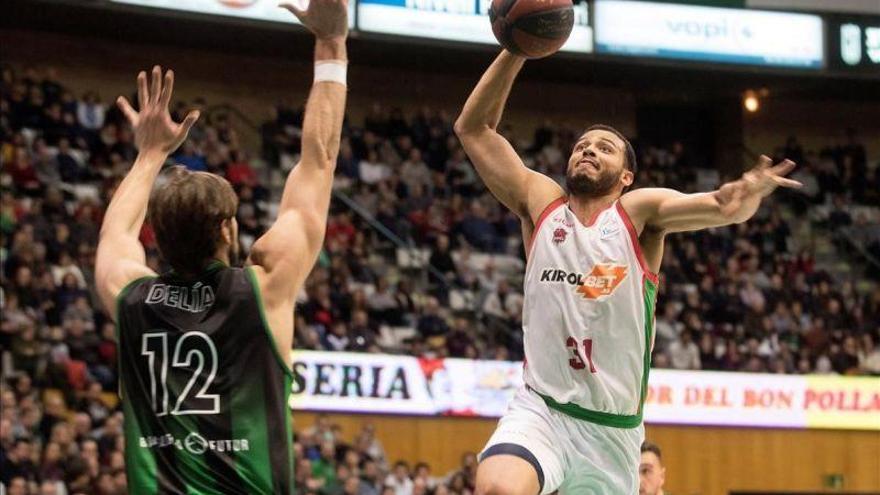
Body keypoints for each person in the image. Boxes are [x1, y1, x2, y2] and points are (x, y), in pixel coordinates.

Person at [454, 50, 801, 495]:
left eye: (605, 147)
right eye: (582, 145)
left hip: (612, 433)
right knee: (498, 487)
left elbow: (723, 205)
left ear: (626, 176)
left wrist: (746, 192)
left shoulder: (637, 213)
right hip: (542, 411)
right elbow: (473, 129)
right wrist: (517, 50)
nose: (589, 150)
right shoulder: (541, 204)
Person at [93, 0, 350, 491]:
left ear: (159, 240)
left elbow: (116, 236)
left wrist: (149, 155)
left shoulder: (131, 298)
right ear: (228, 230)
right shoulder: (264, 289)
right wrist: (331, 45)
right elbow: (319, 161)